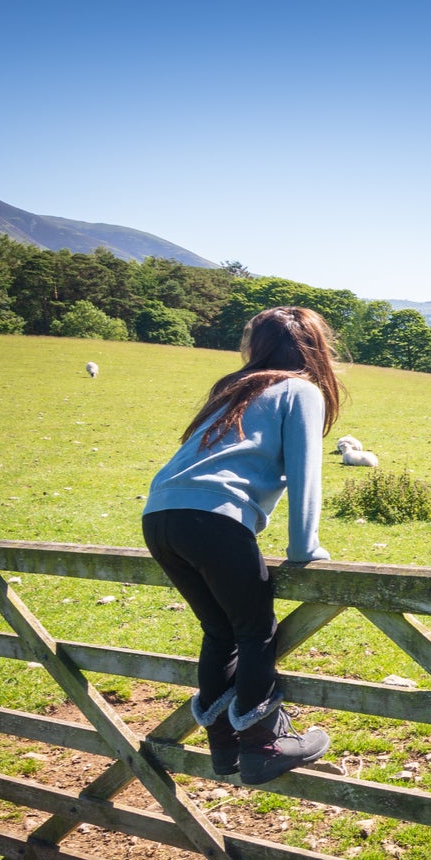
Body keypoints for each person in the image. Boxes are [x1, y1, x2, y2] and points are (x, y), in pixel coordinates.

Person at [142, 305, 339, 784]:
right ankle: (265, 744)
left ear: (257, 346)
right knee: (256, 632)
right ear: (315, 348)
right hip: (214, 518)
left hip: (160, 515)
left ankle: (225, 746)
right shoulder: (300, 390)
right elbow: (305, 476)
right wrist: (304, 550)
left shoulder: (236, 388)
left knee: (221, 631)